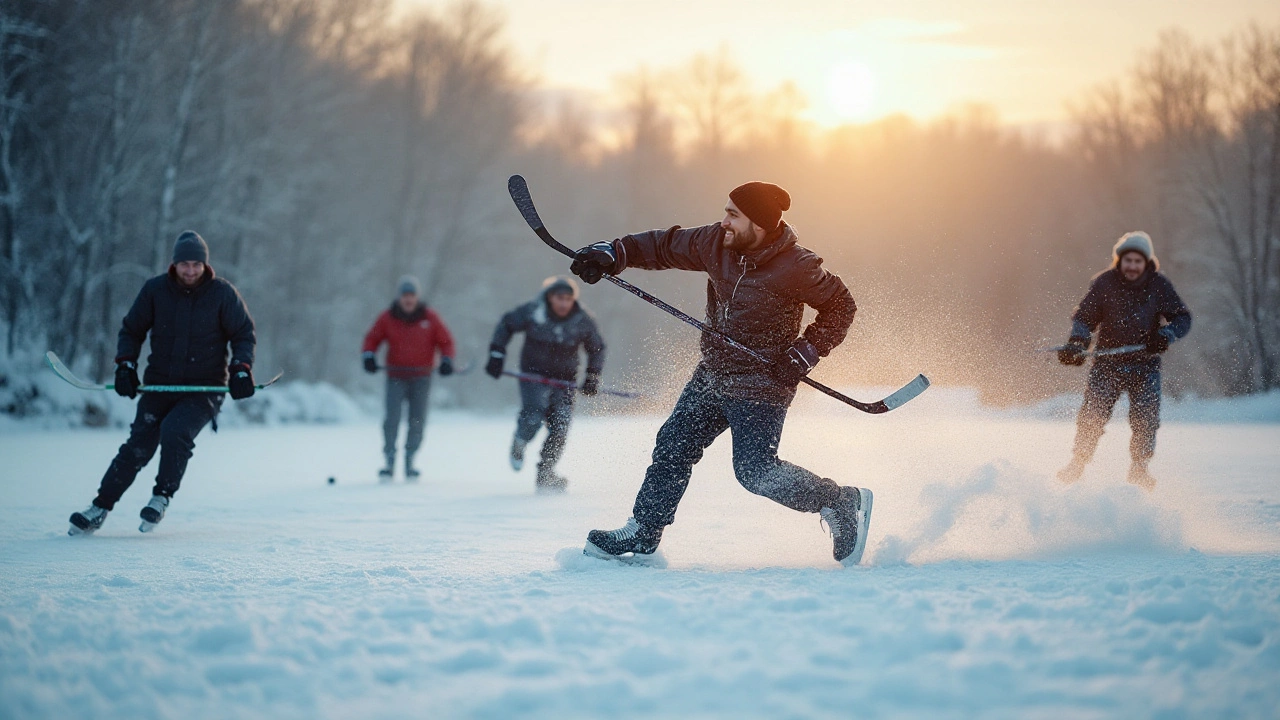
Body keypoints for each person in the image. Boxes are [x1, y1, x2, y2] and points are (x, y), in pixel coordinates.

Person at [567, 181, 869, 565]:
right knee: (673, 445)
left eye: (733, 215)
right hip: (714, 372)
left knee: (756, 472)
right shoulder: (715, 243)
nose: (723, 221)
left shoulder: (796, 265)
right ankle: (644, 532)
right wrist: (615, 252)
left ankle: (839, 501)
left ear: (758, 224)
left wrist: (805, 352)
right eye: (725, 211)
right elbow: (662, 246)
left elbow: (841, 306)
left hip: (763, 382)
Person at [68, 231, 257, 535]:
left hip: (204, 389)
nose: (191, 270)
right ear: (174, 263)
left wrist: (240, 369)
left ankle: (161, 496)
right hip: (160, 385)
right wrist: (126, 365)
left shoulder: (222, 294)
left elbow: (243, 335)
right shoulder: (155, 290)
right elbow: (131, 330)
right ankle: (99, 508)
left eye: (196, 264)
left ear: (205, 265)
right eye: (185, 264)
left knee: (175, 431)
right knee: (137, 447)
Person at [1056, 231, 1192, 490]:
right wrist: (1077, 342)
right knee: (1092, 415)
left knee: (1146, 419)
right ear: (1119, 260)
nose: (1132, 266)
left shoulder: (1159, 286)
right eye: (1127, 260)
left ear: (1147, 263)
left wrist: (1165, 335)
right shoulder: (1104, 283)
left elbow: (1183, 318)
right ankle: (1078, 463)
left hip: (1145, 365)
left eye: (1137, 261)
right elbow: (1085, 317)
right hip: (1107, 364)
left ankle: (1140, 468)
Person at [485, 276, 605, 492]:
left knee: (560, 426)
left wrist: (592, 376)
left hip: (565, 381)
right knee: (533, 414)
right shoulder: (534, 312)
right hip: (534, 377)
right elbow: (506, 324)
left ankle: (546, 474)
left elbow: (597, 348)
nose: (564, 303)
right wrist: (496, 353)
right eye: (560, 298)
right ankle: (520, 442)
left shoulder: (582, 319)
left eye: (568, 299)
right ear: (550, 297)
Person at [362, 275, 456, 481]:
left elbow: (446, 342)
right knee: (392, 419)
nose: (408, 299)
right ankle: (389, 461)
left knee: (417, 421)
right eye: (405, 295)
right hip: (395, 376)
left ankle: (410, 460)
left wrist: (447, 360)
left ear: (417, 297)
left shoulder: (430, 318)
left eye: (411, 295)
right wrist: (368, 355)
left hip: (422, 378)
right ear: (399, 297)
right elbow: (372, 338)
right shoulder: (387, 317)